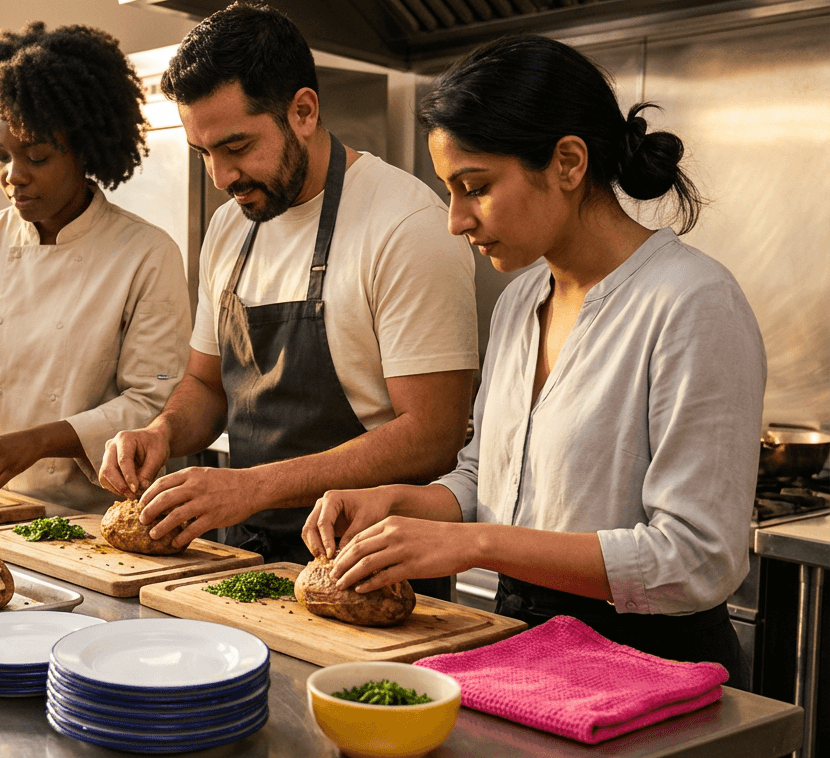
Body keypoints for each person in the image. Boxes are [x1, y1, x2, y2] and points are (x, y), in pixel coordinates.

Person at [302, 35, 765, 676]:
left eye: (475, 187)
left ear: (568, 163)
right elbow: (482, 481)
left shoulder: (692, 304)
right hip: (525, 651)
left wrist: (470, 544)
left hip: (650, 668)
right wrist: (396, 502)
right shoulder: (520, 302)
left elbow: (696, 559)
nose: (455, 220)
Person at [98, 2, 478, 585]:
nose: (221, 178)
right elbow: (204, 383)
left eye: (237, 146)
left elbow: (434, 434)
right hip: (244, 555)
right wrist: (162, 433)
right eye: (204, 154)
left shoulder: (406, 225)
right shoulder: (230, 227)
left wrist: (251, 486)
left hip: (369, 565)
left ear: (303, 110)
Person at [0, 22, 191, 514]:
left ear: (85, 151)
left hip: (95, 520)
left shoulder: (146, 253)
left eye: (37, 156)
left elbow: (151, 403)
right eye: (0, 154)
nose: (13, 175)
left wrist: (37, 442)